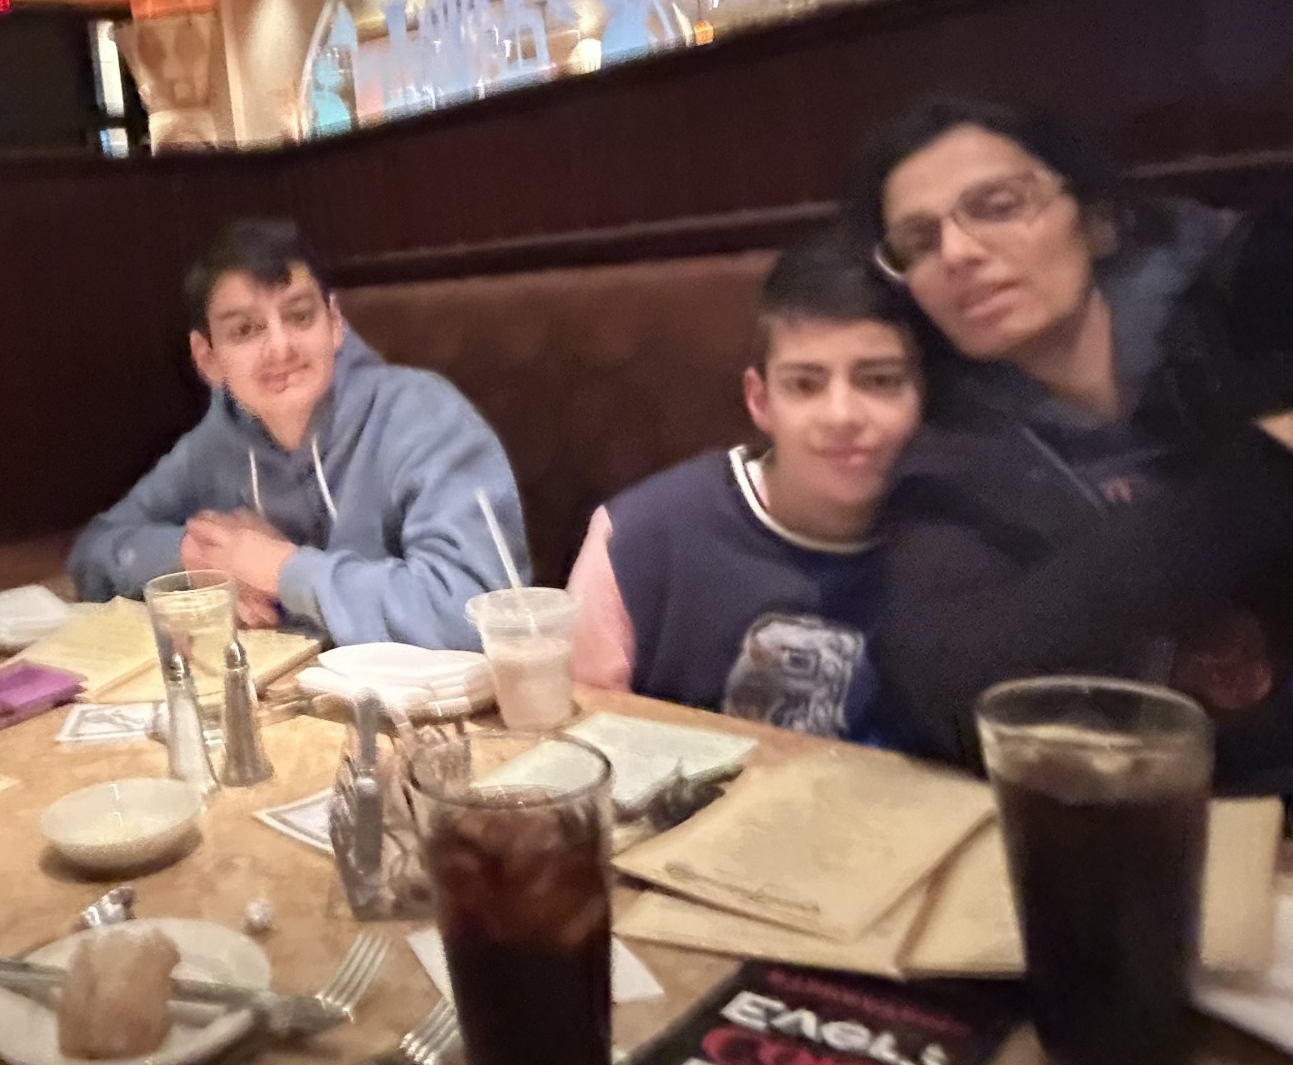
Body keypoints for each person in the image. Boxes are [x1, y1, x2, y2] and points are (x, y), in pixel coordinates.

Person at [842, 99, 1293, 780]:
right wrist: (1265, 473)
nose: (958, 253)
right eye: (919, 242)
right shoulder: (945, 456)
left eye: (997, 206)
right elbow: (957, 693)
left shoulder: (1248, 311)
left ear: (1096, 221)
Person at [68, 218, 527, 652]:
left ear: (335, 323)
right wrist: (199, 560)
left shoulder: (424, 417)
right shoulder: (217, 442)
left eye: (300, 316)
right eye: (245, 330)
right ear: (207, 357)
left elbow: (485, 614)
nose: (280, 347)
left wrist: (278, 568)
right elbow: (96, 550)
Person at [565, 233, 923, 741]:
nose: (842, 415)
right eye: (804, 384)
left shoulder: (969, 538)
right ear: (760, 400)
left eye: (879, 380)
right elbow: (583, 739)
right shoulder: (641, 539)